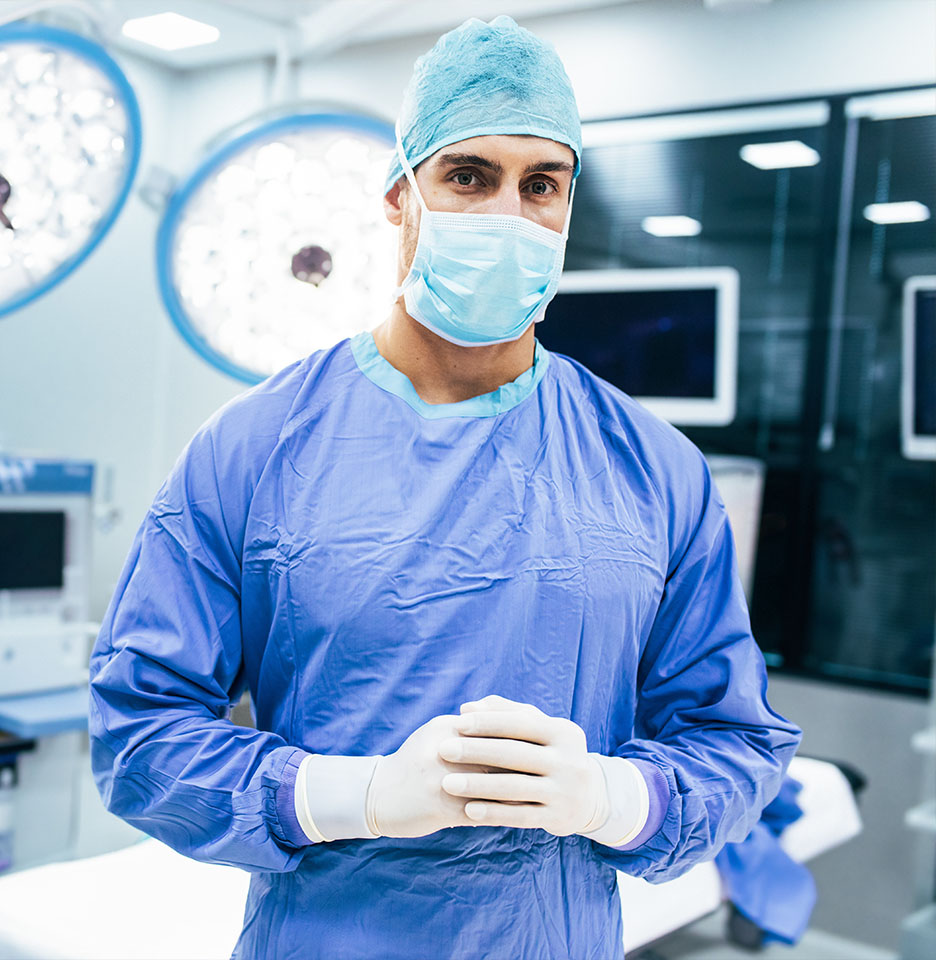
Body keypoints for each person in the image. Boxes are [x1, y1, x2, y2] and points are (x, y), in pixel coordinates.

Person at [89, 15, 801, 960]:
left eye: (540, 185)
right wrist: (359, 797)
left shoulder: (654, 468)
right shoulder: (253, 448)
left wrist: (613, 797)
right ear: (399, 195)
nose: (508, 212)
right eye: (469, 176)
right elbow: (139, 733)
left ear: (568, 210)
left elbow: (734, 742)